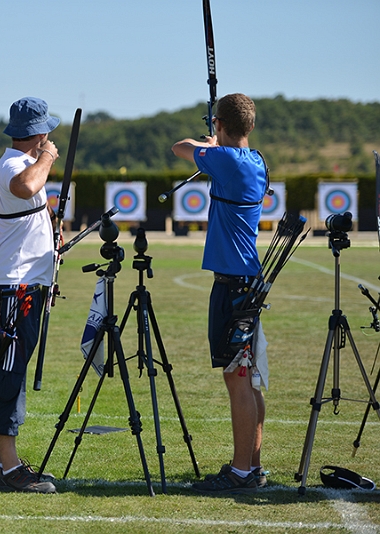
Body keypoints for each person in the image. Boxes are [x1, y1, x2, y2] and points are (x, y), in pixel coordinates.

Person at [171, 93, 268, 494]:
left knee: (237, 378)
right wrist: (216, 142)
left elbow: (179, 147)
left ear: (221, 124)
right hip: (245, 280)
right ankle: (252, 466)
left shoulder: (225, 161)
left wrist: (209, 144)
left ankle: (241, 472)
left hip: (234, 285)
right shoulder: (256, 160)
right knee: (247, 378)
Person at [0, 97, 60, 493]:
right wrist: (48, 157)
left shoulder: (22, 164)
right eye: (47, 134)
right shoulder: (14, 166)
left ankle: (7, 461)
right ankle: (9, 468)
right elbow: (26, 187)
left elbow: (35, 209)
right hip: (12, 286)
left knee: (14, 368)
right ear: (39, 134)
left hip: (23, 283)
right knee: (8, 371)